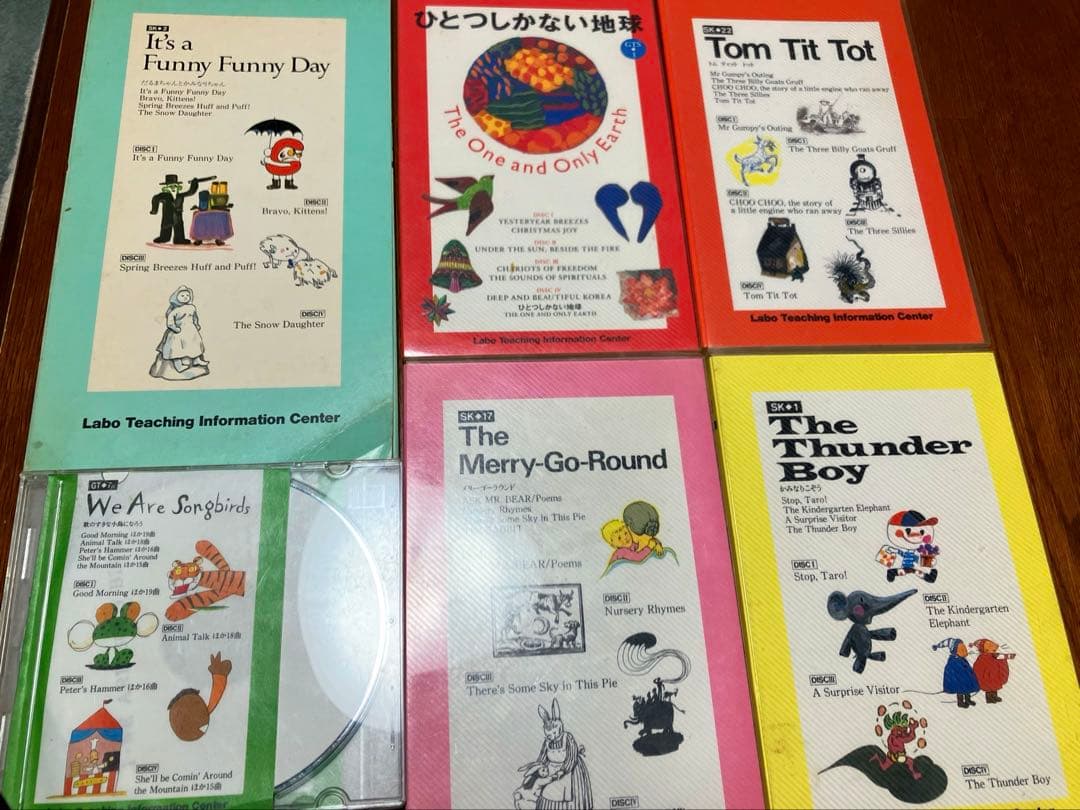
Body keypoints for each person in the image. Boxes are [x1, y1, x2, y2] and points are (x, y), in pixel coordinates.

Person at [149, 286, 209, 380]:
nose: (185, 297)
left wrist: (196, 324)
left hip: (191, 331)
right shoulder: (175, 310)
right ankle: (178, 365)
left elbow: (195, 317)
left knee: (195, 345)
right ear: (176, 297)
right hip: (178, 332)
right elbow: (170, 321)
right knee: (177, 349)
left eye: (187, 295)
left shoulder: (191, 307)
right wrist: (175, 328)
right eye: (182, 295)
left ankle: (197, 360)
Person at [150, 174, 202, 244]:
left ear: (178, 187)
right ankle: (164, 238)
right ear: (165, 188)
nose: (173, 188)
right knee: (166, 227)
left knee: (179, 228)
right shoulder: (164, 196)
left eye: (175, 186)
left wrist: (194, 184)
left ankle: (179, 239)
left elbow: (190, 192)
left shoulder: (180, 195)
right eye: (170, 186)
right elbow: (155, 198)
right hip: (167, 216)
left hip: (178, 216)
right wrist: (154, 210)